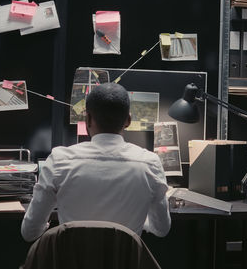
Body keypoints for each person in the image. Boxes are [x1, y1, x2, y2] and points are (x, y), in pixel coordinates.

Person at [21, 83, 171, 242]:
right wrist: (138, 223)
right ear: (128, 120)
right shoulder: (149, 163)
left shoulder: (60, 160)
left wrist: (50, 227)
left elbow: (29, 232)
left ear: (88, 119)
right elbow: (161, 229)